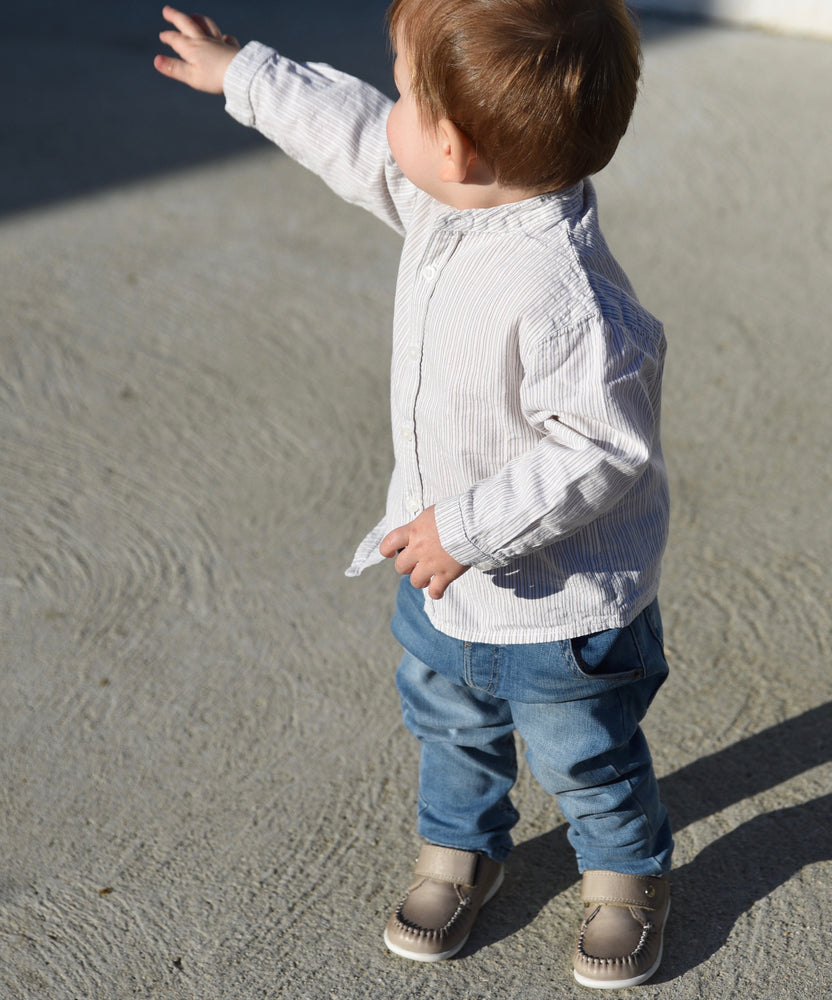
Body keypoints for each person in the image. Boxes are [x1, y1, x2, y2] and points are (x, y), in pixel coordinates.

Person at [154, 1, 673, 988]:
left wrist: (466, 529)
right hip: (438, 581)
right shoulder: (454, 199)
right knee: (449, 726)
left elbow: (605, 451)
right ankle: (458, 848)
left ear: (456, 146)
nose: (383, 101)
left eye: (400, 86)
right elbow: (354, 137)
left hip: (558, 613)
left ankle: (624, 876)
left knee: (587, 757)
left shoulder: (569, 298)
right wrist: (247, 76)